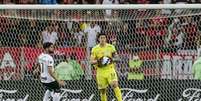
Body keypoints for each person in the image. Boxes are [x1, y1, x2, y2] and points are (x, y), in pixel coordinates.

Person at [90, 33, 122, 101]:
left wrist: (110, 60)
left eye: (104, 38)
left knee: (114, 84)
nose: (103, 39)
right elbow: (91, 62)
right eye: (101, 38)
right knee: (103, 90)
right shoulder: (95, 49)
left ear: (106, 39)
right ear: (98, 39)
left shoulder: (111, 47)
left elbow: (117, 58)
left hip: (110, 70)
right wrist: (99, 61)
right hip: (100, 71)